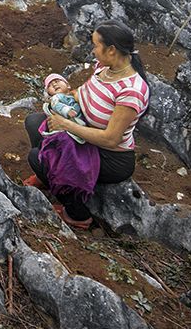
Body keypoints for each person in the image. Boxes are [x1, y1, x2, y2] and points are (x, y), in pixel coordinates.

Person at [23, 20, 150, 230]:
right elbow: (88, 90)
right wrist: (68, 98)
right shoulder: (105, 67)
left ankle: (77, 214)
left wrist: (66, 124)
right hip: (82, 128)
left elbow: (111, 138)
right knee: (34, 122)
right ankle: (49, 178)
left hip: (110, 154)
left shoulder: (131, 91)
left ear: (111, 50)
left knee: (37, 157)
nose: (93, 51)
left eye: (95, 46)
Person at [41, 73, 85, 144]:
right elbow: (56, 105)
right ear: (49, 93)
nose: (54, 85)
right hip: (66, 124)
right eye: (50, 85)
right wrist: (67, 111)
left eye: (57, 81)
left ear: (68, 85)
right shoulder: (56, 97)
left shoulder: (72, 97)